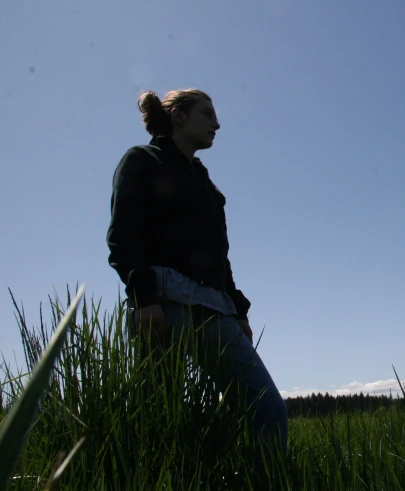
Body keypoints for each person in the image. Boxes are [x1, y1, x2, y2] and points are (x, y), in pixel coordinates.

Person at [105, 88, 288, 463]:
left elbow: (219, 255)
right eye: (207, 114)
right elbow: (124, 234)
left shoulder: (205, 184)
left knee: (266, 408)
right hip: (163, 304)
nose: (217, 124)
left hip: (214, 311)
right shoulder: (142, 159)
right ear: (178, 116)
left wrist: (238, 309)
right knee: (158, 419)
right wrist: (143, 299)